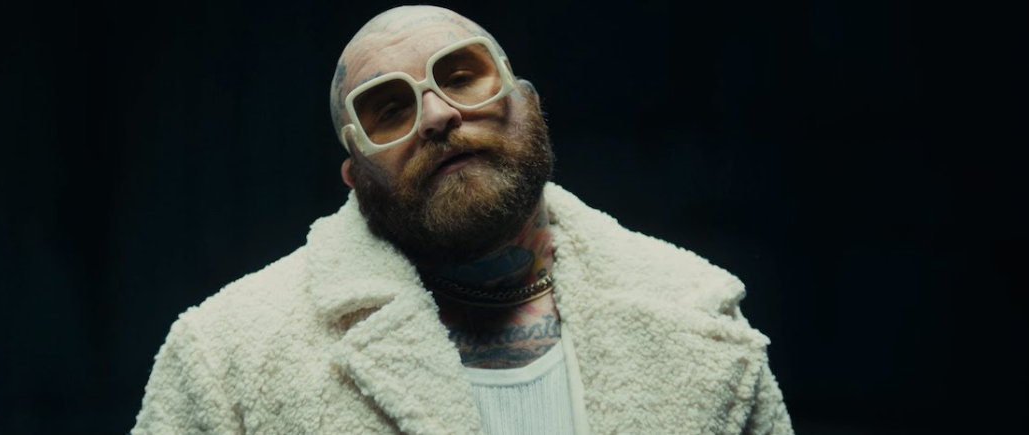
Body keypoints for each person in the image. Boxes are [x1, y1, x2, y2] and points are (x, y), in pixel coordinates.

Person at [132, 5, 793, 435]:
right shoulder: (229, 356)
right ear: (356, 177)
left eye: (461, 76)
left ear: (528, 104)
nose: (439, 115)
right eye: (390, 109)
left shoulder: (695, 316)